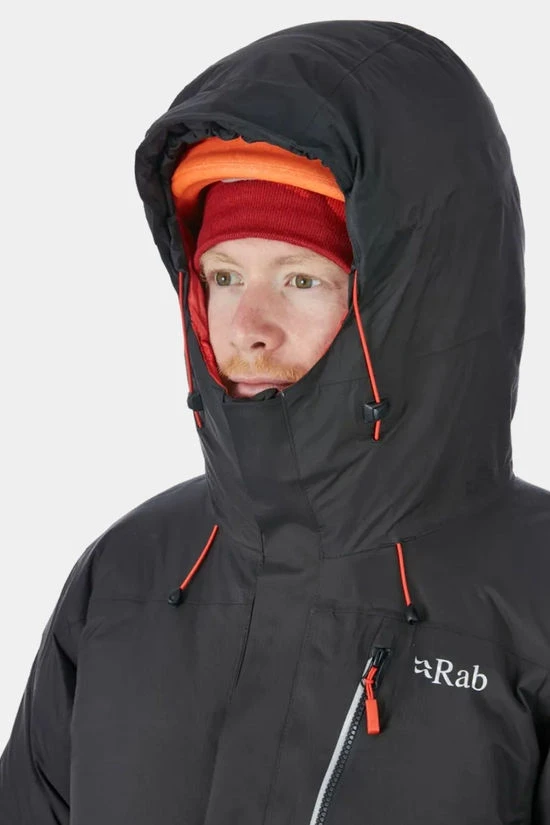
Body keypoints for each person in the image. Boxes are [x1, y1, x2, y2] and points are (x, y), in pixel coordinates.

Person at [1, 17, 549, 824]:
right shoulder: (124, 577)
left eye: (300, 279)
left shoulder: (533, 596)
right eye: (224, 275)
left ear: (413, 307)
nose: (247, 326)